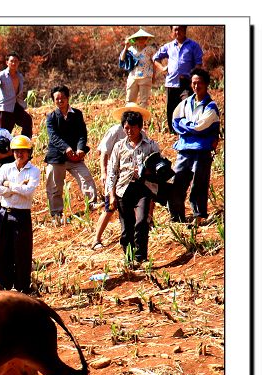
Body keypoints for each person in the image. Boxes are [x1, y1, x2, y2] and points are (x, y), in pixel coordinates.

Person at [106, 110, 162, 267]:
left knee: (141, 222)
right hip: (123, 190)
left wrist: (147, 172)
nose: (129, 131)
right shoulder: (118, 147)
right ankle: (129, 259)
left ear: (140, 127)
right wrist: (111, 195)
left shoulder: (151, 145)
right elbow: (112, 172)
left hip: (143, 188)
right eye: (126, 128)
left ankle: (141, 257)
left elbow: (159, 168)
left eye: (132, 128)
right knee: (126, 229)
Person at [93, 103, 152, 250]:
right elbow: (104, 153)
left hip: (139, 184)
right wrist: (104, 173)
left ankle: (141, 250)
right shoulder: (115, 133)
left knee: (141, 218)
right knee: (110, 209)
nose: (129, 130)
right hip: (120, 183)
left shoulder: (147, 140)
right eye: (127, 126)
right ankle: (96, 239)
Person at [171, 67, 220, 225]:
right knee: (178, 183)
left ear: (206, 84)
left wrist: (187, 126)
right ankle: (177, 217)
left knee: (199, 185)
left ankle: (198, 217)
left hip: (202, 151)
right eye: (193, 83)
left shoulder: (211, 106)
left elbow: (201, 126)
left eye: (199, 83)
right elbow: (175, 122)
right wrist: (191, 127)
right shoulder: (185, 103)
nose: (196, 86)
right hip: (184, 150)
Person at [44, 85, 98, 223]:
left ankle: (92, 203)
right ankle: (56, 214)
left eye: (63, 98)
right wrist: (66, 148)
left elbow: (82, 133)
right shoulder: (51, 117)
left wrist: (80, 149)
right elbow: (53, 137)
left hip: (75, 156)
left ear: (68, 98)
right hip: (57, 156)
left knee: (86, 177)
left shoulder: (77, 114)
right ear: (53, 101)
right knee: (55, 186)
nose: (60, 101)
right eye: (57, 99)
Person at [0, 135, 40, 293]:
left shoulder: (34, 171)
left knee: (22, 252)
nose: (19, 154)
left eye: (23, 151)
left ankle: (22, 287)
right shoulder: (5, 168)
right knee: (2, 250)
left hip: (22, 215)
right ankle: (4, 285)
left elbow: (28, 192)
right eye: (16, 151)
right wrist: (17, 187)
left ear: (29, 152)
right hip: (4, 214)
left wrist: (8, 185)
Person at [153, 26, 204, 134]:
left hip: (186, 83)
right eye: (175, 30)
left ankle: (187, 130)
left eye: (180, 29)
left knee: (187, 105)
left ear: (185, 30)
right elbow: (155, 58)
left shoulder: (193, 46)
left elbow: (198, 64)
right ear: (172, 32)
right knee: (171, 107)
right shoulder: (169, 46)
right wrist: (162, 68)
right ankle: (173, 132)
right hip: (171, 82)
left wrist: (193, 78)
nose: (178, 32)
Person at [0, 52, 33, 138]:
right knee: (2, 135)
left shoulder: (20, 76)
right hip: (5, 109)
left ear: (18, 63)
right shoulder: (1, 75)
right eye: (11, 61)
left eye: (16, 61)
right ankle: (1, 150)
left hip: (16, 106)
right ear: (7, 62)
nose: (14, 63)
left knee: (27, 120)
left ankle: (24, 144)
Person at [120, 28, 157, 107]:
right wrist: (126, 47)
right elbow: (122, 59)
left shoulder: (150, 50)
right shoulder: (131, 50)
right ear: (135, 40)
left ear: (146, 39)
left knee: (144, 101)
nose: (141, 40)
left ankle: (142, 118)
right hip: (133, 77)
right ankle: (130, 117)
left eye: (143, 38)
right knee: (129, 101)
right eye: (139, 39)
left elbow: (155, 63)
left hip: (146, 76)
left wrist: (154, 76)